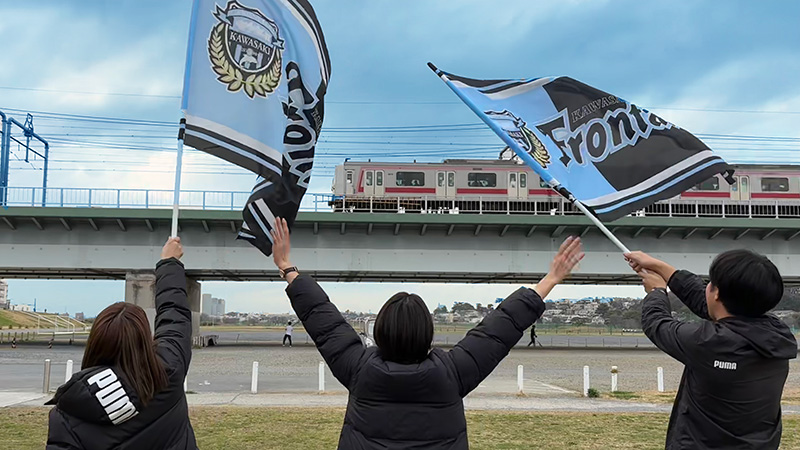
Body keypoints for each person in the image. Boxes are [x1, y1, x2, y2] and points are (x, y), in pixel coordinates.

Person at [270, 217, 583, 449]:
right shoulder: (452, 372)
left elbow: (324, 320)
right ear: (427, 332)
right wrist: (550, 279)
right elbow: (499, 328)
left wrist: (287, 266)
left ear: (381, 330)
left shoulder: (359, 368)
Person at [625, 249, 797, 449]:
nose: (706, 287)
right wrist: (661, 267)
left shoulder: (709, 343)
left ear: (717, 293)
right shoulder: (777, 336)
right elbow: (710, 304)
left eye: (710, 283)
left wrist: (656, 291)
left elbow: (657, 324)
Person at [46, 237, 197, 450]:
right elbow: (174, 316)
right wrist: (169, 262)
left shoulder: (67, 413)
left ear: (95, 343)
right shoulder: (167, 373)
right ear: (145, 340)